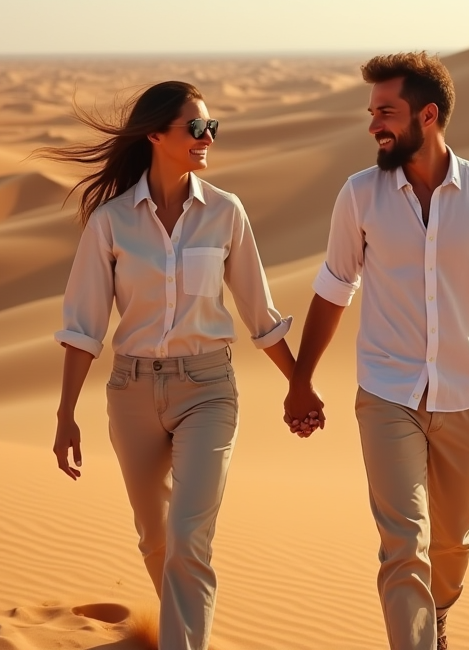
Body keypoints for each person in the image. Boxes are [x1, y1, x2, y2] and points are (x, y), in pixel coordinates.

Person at [284, 53, 469, 650]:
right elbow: (334, 288)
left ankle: (437, 614)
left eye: (386, 112)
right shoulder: (359, 195)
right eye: (372, 113)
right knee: (403, 544)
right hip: (386, 393)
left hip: (464, 394)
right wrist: (301, 379)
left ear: (428, 115)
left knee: (453, 542)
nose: (374, 125)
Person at [45, 81, 296, 650]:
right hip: (131, 392)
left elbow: (259, 313)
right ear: (156, 135)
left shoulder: (226, 213)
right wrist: (65, 415)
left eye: (212, 127)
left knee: (188, 539)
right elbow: (83, 327)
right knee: (156, 540)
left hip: (208, 388)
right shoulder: (110, 222)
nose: (208, 138)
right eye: (196, 128)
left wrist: (298, 383)